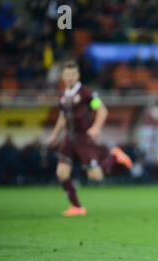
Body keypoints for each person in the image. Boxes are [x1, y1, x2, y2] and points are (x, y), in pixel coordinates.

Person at [48, 61, 133, 217]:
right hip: (69, 138)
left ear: (78, 75)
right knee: (61, 173)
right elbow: (62, 117)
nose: (69, 77)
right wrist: (54, 135)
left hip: (83, 139)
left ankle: (114, 155)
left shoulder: (85, 93)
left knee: (96, 176)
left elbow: (102, 110)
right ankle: (77, 207)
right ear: (62, 76)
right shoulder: (62, 96)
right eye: (67, 75)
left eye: (72, 74)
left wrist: (95, 128)